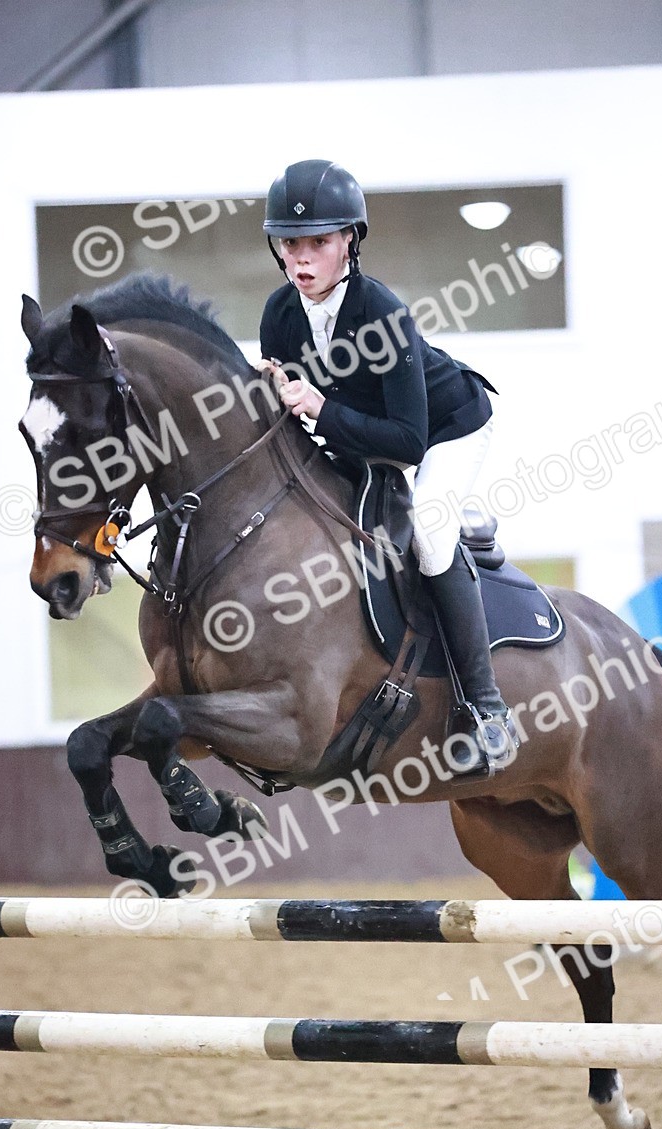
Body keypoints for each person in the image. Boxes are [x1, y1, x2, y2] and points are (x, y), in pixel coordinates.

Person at [257, 159, 518, 773]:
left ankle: (488, 711)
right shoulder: (279, 314)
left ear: (349, 240)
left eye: (318, 242)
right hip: (363, 438)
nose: (302, 257)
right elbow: (294, 419)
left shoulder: (382, 311)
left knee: (427, 533)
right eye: (291, 242)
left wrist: (319, 404)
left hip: (447, 430)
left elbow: (405, 442)